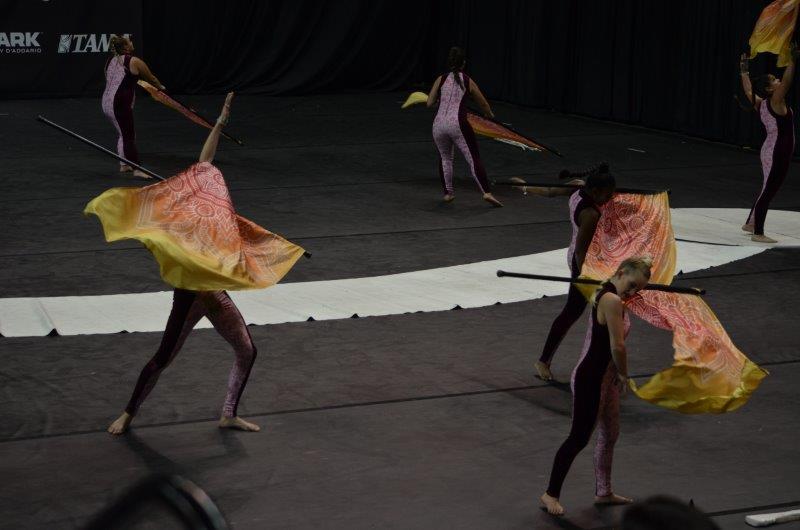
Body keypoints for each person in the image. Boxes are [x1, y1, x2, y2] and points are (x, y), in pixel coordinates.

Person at [108, 93, 261, 435]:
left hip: (214, 294)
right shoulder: (183, 223)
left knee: (247, 350)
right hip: (190, 297)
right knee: (163, 358)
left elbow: (206, 158)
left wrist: (220, 120)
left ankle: (228, 414)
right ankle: (128, 413)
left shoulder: (210, 205)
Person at [540, 256, 653, 516]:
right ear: (621, 272)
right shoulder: (611, 299)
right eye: (632, 285)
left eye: (638, 289)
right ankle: (550, 494)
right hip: (591, 379)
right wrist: (624, 375)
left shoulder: (609, 290)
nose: (633, 292)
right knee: (578, 437)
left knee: (610, 433)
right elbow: (617, 346)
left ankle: (604, 491)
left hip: (605, 379)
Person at [512, 164, 616, 381]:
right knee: (580, 312)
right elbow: (581, 251)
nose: (609, 199)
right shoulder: (590, 214)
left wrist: (524, 187)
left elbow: (549, 191)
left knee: (596, 312)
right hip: (584, 263)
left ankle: (606, 365)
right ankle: (545, 361)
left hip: (584, 257)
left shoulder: (578, 187)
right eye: (607, 195)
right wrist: (585, 279)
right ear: (595, 191)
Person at [427, 46, 503, 207]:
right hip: (457, 124)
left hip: (438, 125)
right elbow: (483, 103)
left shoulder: (441, 79)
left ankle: (448, 193)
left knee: (445, 158)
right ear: (464, 63)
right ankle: (487, 192)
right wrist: (490, 116)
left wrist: (441, 102)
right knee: (473, 158)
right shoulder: (467, 81)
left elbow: (429, 103)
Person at [739, 44, 797, 243]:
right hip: (777, 151)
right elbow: (787, 82)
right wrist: (792, 60)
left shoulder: (762, 103)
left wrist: (744, 70)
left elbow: (748, 89)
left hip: (771, 150)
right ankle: (758, 233)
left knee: (767, 187)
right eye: (775, 80)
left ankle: (751, 223)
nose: (778, 80)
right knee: (769, 191)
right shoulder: (775, 101)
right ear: (769, 89)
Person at [102, 35, 164, 178]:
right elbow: (151, 78)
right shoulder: (134, 61)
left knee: (123, 133)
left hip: (106, 102)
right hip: (118, 104)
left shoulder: (109, 61)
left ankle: (124, 164)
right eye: (130, 41)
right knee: (128, 136)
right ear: (125, 47)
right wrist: (162, 89)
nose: (132, 42)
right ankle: (137, 169)